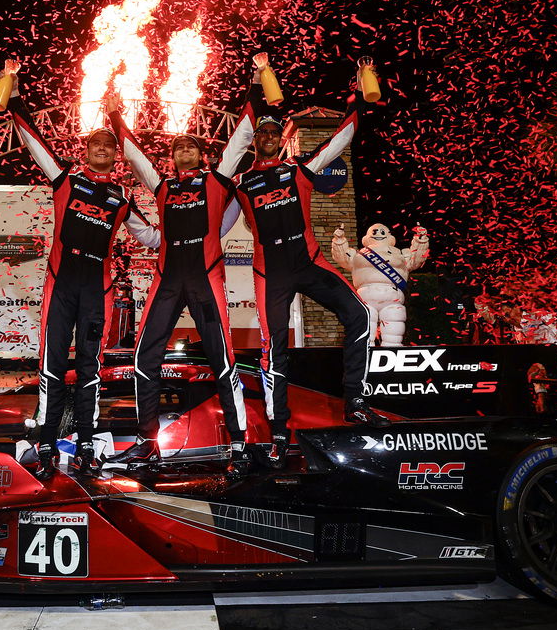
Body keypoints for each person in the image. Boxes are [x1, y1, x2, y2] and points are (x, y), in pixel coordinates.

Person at [105, 56, 264, 474]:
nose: (185, 151)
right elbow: (135, 155)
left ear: (201, 153)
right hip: (168, 277)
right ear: (172, 158)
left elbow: (243, 136)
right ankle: (145, 442)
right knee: (143, 359)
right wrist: (116, 111)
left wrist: (254, 85)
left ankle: (238, 444)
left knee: (223, 360)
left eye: (191, 146)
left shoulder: (215, 180)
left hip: (206, 277)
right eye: (178, 148)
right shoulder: (161, 186)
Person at [2, 59, 159, 479]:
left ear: (116, 153)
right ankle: (47, 439)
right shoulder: (66, 180)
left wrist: (200, 231)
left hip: (97, 290)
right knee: (53, 365)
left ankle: (87, 441)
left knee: (90, 367)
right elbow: (34, 143)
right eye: (96, 145)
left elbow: (153, 238)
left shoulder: (124, 196)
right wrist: (15, 95)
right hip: (61, 286)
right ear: (86, 150)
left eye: (110, 145)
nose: (103, 150)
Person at [233, 57, 386, 468]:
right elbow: (211, 221)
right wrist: (254, 82)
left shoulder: (299, 168)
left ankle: (354, 400)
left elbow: (341, 138)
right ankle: (278, 430)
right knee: (274, 349)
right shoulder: (240, 184)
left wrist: (358, 96)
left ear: (278, 140)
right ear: (254, 141)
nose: (266, 136)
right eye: (260, 132)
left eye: (271, 132)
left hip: (309, 261)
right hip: (271, 273)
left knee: (361, 315)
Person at [491, 295, 557, 371]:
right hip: (546, 371)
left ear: (517, 307)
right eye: (503, 317)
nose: (507, 319)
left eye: (508, 314)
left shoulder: (540, 316)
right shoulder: (515, 331)